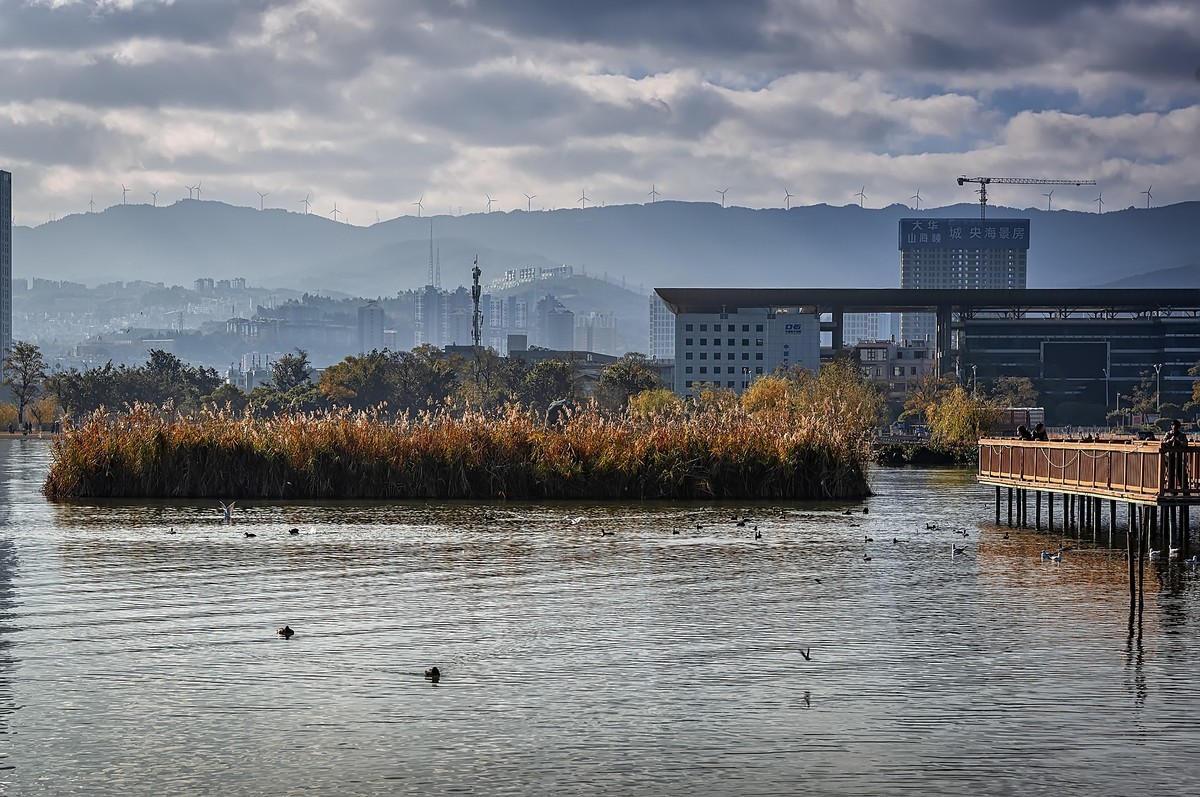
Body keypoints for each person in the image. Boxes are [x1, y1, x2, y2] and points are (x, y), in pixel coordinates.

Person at [1162, 419, 1189, 494]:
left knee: (1181, 472)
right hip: (1170, 456)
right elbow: (1163, 442)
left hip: (1180, 456)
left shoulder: (1182, 435)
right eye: (1173, 425)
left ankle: (1184, 487)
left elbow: (1186, 443)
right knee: (1170, 472)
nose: (1174, 427)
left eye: (1176, 426)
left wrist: (1179, 442)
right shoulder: (1168, 434)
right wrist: (1170, 440)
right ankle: (1171, 489)